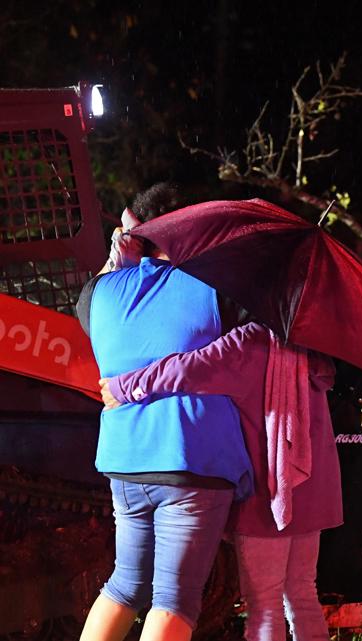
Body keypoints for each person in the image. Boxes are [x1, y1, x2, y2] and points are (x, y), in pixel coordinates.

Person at [77, 183, 254, 641]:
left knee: (124, 586)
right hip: (190, 461)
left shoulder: (99, 295)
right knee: (175, 600)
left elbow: (91, 295)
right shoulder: (215, 287)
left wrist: (122, 250)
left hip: (123, 463)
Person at [100, 322, 343, 641]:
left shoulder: (249, 342)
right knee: (303, 594)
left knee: (264, 606)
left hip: (267, 492)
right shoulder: (312, 349)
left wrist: (123, 386)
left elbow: (187, 368)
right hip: (310, 492)